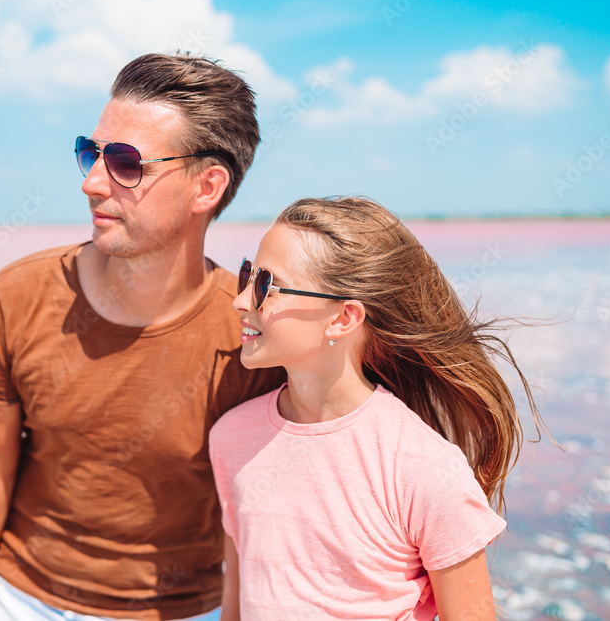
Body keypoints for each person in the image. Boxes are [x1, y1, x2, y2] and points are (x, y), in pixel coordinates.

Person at [0, 53, 284, 621]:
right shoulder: (21, 292)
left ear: (207, 186)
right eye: (91, 152)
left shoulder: (251, 330)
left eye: (127, 164)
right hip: (16, 598)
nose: (91, 182)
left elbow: (254, 514)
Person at [209, 196, 546, 620]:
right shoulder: (230, 437)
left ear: (343, 318)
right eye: (247, 275)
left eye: (263, 286)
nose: (241, 301)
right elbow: (236, 605)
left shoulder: (424, 468)